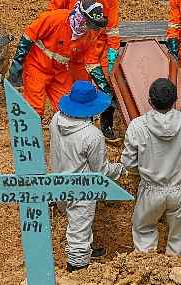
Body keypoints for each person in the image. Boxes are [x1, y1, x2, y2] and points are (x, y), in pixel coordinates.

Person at [121, 78, 181, 256]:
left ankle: (146, 272)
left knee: (144, 231)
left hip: (150, 190)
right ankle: (175, 274)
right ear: (175, 100)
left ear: (150, 101)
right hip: (180, 189)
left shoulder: (137, 126)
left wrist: (143, 171)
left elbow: (129, 163)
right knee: (179, 237)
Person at [49, 80, 126, 272]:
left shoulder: (56, 119)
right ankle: (77, 269)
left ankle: (87, 250)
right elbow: (101, 172)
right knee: (78, 231)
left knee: (77, 223)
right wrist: (121, 169)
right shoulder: (92, 135)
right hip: (81, 189)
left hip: (58, 181)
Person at [6, 0, 107, 118]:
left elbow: (91, 63)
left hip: (60, 71)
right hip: (37, 66)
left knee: (69, 107)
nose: (90, 28)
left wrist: (104, 87)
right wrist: (17, 63)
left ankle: (66, 134)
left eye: (93, 25)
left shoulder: (90, 35)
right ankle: (32, 134)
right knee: (34, 109)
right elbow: (29, 36)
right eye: (89, 23)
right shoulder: (55, 19)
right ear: (80, 16)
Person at [46, 0, 121, 142]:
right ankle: (82, 125)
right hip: (77, 44)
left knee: (109, 86)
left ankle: (106, 125)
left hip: (100, 45)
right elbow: (53, 13)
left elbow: (112, 28)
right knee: (80, 86)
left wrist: (112, 52)